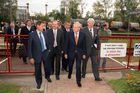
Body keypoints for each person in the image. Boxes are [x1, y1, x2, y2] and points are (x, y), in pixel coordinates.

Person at [28, 20, 52, 89]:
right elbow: (29, 47)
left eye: (44, 26)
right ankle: (39, 82)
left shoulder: (45, 33)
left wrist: (49, 50)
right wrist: (31, 57)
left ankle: (47, 77)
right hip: (36, 55)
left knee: (47, 67)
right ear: (37, 26)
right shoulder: (32, 35)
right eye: (42, 26)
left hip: (45, 53)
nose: (43, 27)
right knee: (38, 69)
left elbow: (48, 42)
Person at [64, 22, 86, 87]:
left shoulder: (83, 34)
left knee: (78, 67)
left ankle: (78, 81)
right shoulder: (69, 34)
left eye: (76, 27)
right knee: (70, 65)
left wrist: (84, 53)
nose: (74, 28)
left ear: (79, 28)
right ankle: (70, 73)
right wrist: (65, 53)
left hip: (79, 53)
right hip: (71, 52)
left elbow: (84, 45)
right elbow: (66, 44)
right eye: (73, 27)